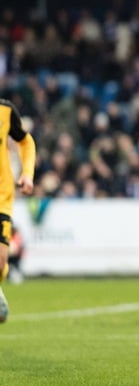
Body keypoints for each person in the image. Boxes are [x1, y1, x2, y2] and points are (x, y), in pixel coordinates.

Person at [0, 98, 35, 323]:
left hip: (1, 198)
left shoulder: (5, 110)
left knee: (1, 262)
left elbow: (26, 141)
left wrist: (27, 173)